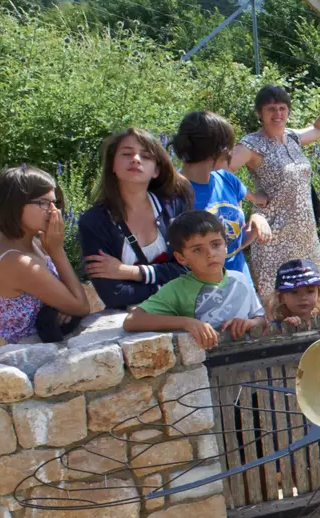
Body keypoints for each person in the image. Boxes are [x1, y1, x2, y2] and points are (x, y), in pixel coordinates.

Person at [231, 76, 320, 308]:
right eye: (271, 109)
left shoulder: (292, 138)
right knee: (275, 297)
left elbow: (319, 129)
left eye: (282, 108)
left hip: (304, 232)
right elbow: (221, 170)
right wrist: (251, 196)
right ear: (260, 113)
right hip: (273, 234)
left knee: (311, 293)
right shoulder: (252, 145)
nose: (277, 114)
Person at [79, 128, 192, 309]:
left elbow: (191, 268)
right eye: (126, 153)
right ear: (112, 165)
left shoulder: (174, 206)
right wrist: (168, 282)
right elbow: (115, 295)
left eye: (146, 156)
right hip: (129, 323)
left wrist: (132, 272)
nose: (136, 159)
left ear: (156, 170)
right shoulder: (94, 222)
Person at [124, 210, 266, 349]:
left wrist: (250, 323)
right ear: (181, 258)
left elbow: (260, 319)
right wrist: (186, 323)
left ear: (226, 246)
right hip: (205, 367)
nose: (210, 254)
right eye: (197, 249)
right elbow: (132, 321)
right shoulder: (177, 289)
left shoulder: (240, 279)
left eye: (216, 244)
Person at [0, 165, 91, 345]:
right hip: (29, 353)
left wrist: (59, 305)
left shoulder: (28, 242)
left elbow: (68, 298)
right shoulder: (18, 262)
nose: (53, 210)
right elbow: (81, 307)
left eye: (54, 202)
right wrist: (57, 251)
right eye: (42, 203)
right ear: (15, 204)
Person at [172, 111, 269, 287]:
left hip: (241, 286)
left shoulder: (227, 180)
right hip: (203, 295)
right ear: (220, 150)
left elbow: (234, 243)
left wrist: (255, 221)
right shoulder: (174, 192)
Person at [271, 259, 320, 328]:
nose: (303, 297)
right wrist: (285, 328)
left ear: (319, 293)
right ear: (282, 297)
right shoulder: (274, 328)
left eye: (310, 291)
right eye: (294, 292)